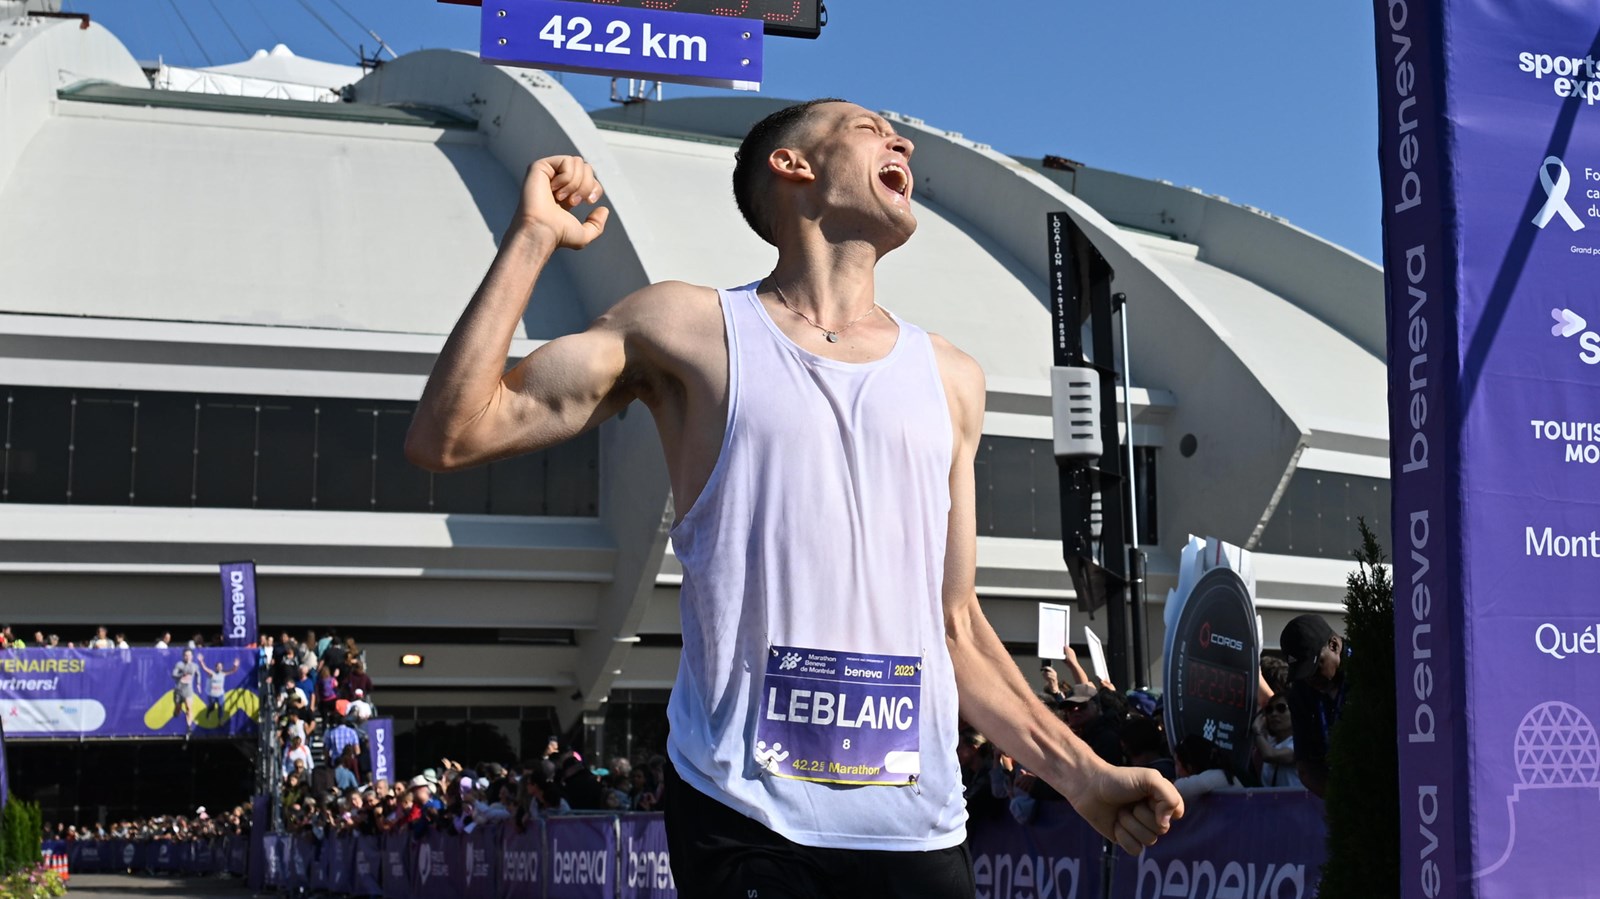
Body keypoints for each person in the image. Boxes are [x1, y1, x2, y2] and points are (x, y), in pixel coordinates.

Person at [405, 98, 1182, 895]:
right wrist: (533, 239)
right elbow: (452, 431)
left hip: (918, 829)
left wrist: (1084, 775)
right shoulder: (687, 328)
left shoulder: (951, 378)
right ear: (794, 166)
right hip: (746, 814)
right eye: (869, 129)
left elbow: (956, 625)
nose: (902, 140)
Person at [1279, 614, 1347, 796]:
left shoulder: (1369, 666)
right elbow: (1305, 767)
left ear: (1334, 645)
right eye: (1302, 674)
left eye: (1314, 668)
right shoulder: (1301, 692)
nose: (1309, 679)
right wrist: (1342, 801)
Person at [1253, 692, 1303, 788]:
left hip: (1296, 802)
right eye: (1269, 710)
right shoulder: (1269, 742)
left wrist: (1257, 731)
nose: (1274, 714)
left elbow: (1270, 755)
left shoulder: (1301, 742)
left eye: (1281, 708)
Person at [197, 654, 239, 721]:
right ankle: (208, 713)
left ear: (222, 667)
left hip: (220, 694)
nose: (219, 667)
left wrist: (235, 665)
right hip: (212, 695)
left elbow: (233, 671)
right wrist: (201, 661)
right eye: (218, 666)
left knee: (221, 706)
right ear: (215, 667)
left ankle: (220, 719)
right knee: (212, 707)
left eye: (220, 666)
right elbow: (205, 668)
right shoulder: (212, 673)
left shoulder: (223, 674)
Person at [171, 648, 200, 733]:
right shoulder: (180, 664)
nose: (188, 657)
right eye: (186, 655)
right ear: (183, 656)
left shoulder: (194, 666)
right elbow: (174, 674)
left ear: (192, 656)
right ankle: (176, 713)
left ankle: (189, 726)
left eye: (189, 655)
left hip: (188, 690)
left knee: (189, 707)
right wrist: (181, 674)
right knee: (178, 708)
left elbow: (198, 674)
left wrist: (198, 684)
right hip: (179, 689)